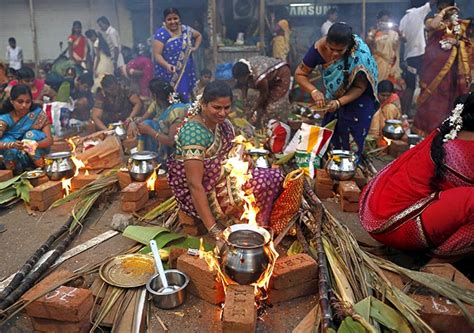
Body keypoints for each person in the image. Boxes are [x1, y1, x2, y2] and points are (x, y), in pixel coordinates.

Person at [359, 93, 474, 258]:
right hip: (397, 226)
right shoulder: (466, 151)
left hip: (373, 210)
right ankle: (439, 258)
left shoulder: (448, 132)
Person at [167, 81, 284, 237]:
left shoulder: (223, 124)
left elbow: (234, 149)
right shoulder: (193, 133)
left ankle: (256, 224)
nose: (222, 113)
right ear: (203, 104)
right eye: (216, 107)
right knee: (260, 183)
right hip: (203, 193)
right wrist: (214, 229)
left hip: (223, 180)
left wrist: (242, 157)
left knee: (275, 176)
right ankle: (246, 228)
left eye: (226, 108)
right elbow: (194, 185)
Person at [295, 23, 379, 160]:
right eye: (331, 49)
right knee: (330, 139)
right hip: (333, 97)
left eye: (340, 51)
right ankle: (329, 169)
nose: (334, 54)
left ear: (348, 46)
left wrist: (339, 103)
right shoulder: (319, 48)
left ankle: (348, 172)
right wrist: (314, 91)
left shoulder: (359, 56)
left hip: (359, 100)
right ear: (326, 41)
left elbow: (360, 87)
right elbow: (299, 74)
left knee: (351, 146)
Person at [414, 0, 471, 135]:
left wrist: (457, 42)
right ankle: (425, 130)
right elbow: (431, 26)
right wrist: (443, 12)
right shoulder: (432, 20)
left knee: (446, 97)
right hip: (432, 69)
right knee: (430, 96)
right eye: (443, 7)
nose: (448, 9)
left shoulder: (459, 24)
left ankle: (443, 130)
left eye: (449, 7)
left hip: (451, 69)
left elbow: (467, 44)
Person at [153, 8, 202, 102]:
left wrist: (195, 48)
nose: (173, 22)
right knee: (172, 98)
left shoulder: (186, 30)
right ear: (164, 21)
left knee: (186, 95)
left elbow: (198, 35)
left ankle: (188, 114)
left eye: (175, 18)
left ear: (179, 19)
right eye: (169, 19)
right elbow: (157, 55)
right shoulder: (162, 34)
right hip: (169, 73)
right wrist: (167, 65)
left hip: (186, 71)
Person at [0, 85, 52, 173]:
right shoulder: (4, 119)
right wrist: (11, 145)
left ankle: (41, 167)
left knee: (31, 135)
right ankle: (16, 172)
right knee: (6, 140)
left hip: (37, 152)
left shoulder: (37, 114)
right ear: (12, 101)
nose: (24, 105)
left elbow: (49, 140)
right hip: (15, 157)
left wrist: (32, 145)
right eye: (20, 102)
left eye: (28, 102)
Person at [137, 79, 188, 163]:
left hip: (177, 151)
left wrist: (149, 131)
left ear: (154, 95)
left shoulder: (177, 111)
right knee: (147, 123)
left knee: (148, 125)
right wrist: (132, 122)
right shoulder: (157, 104)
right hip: (164, 144)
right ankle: (150, 161)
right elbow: (142, 120)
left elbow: (172, 142)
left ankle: (156, 162)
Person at [232, 56, 291, 128]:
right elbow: (243, 85)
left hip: (281, 73)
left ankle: (274, 126)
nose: (240, 81)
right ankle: (259, 123)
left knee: (272, 105)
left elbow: (264, 95)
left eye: (242, 79)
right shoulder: (242, 68)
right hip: (268, 76)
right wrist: (245, 102)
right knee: (258, 105)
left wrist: (253, 110)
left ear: (247, 75)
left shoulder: (259, 76)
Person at [399, 0, 435, 116]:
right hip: (420, 54)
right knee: (425, 84)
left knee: (410, 86)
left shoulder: (403, 19)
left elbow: (402, 38)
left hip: (409, 56)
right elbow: (431, 3)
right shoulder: (419, 13)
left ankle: (405, 113)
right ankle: (422, 114)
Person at [367, 11, 405, 91]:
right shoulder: (374, 32)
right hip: (378, 63)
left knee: (391, 86)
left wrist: (398, 31)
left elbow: (404, 40)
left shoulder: (394, 33)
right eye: (382, 21)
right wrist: (374, 31)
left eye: (387, 21)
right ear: (378, 21)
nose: (385, 24)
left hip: (391, 64)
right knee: (377, 86)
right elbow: (367, 43)